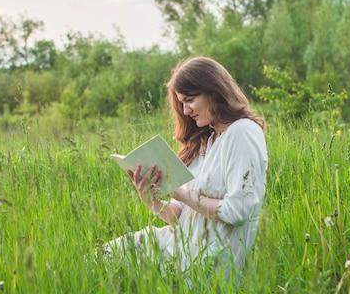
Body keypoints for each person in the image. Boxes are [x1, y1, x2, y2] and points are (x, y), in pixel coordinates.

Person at [102, 56, 268, 285]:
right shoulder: (208, 140)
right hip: (180, 243)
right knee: (102, 258)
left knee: (121, 269)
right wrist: (152, 201)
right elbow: (181, 215)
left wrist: (180, 192)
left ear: (213, 91)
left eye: (190, 100)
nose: (185, 109)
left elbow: (238, 211)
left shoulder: (242, 132)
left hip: (209, 258)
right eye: (181, 103)